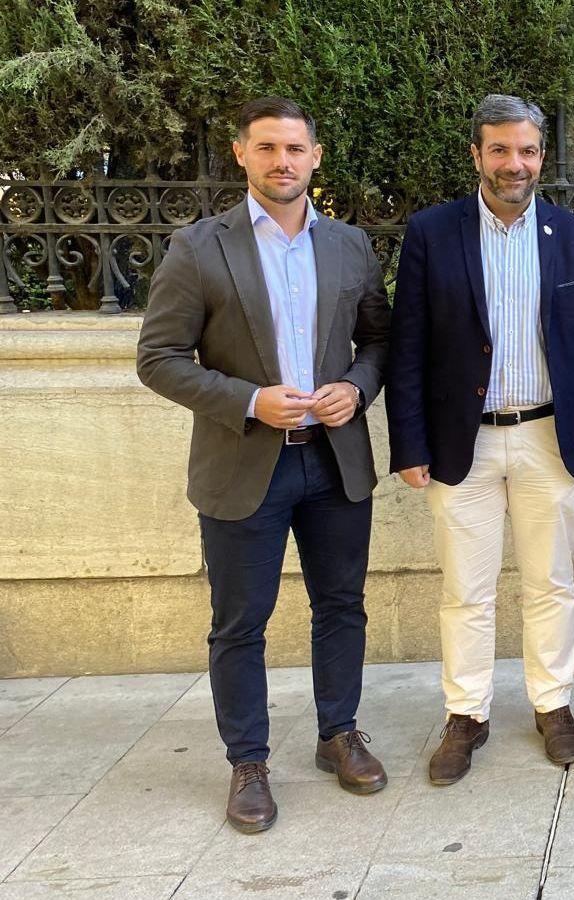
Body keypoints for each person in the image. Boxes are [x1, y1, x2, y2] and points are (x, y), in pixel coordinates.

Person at [136, 97, 391, 833]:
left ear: (315, 157)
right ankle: (248, 761)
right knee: (240, 623)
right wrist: (250, 401)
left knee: (341, 606)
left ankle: (338, 734)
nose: (284, 161)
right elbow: (157, 359)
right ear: (242, 154)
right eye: (268, 148)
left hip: (335, 463)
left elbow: (379, 343)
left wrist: (356, 387)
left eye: (296, 148)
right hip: (244, 465)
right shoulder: (198, 247)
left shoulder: (349, 245)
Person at [386, 94, 574, 781]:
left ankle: (552, 704)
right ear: (476, 154)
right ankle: (467, 714)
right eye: (499, 149)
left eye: (525, 150)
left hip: (551, 437)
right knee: (467, 587)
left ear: (542, 156)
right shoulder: (433, 233)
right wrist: (410, 444)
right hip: (466, 442)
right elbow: (409, 347)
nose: (512, 164)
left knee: (551, 582)